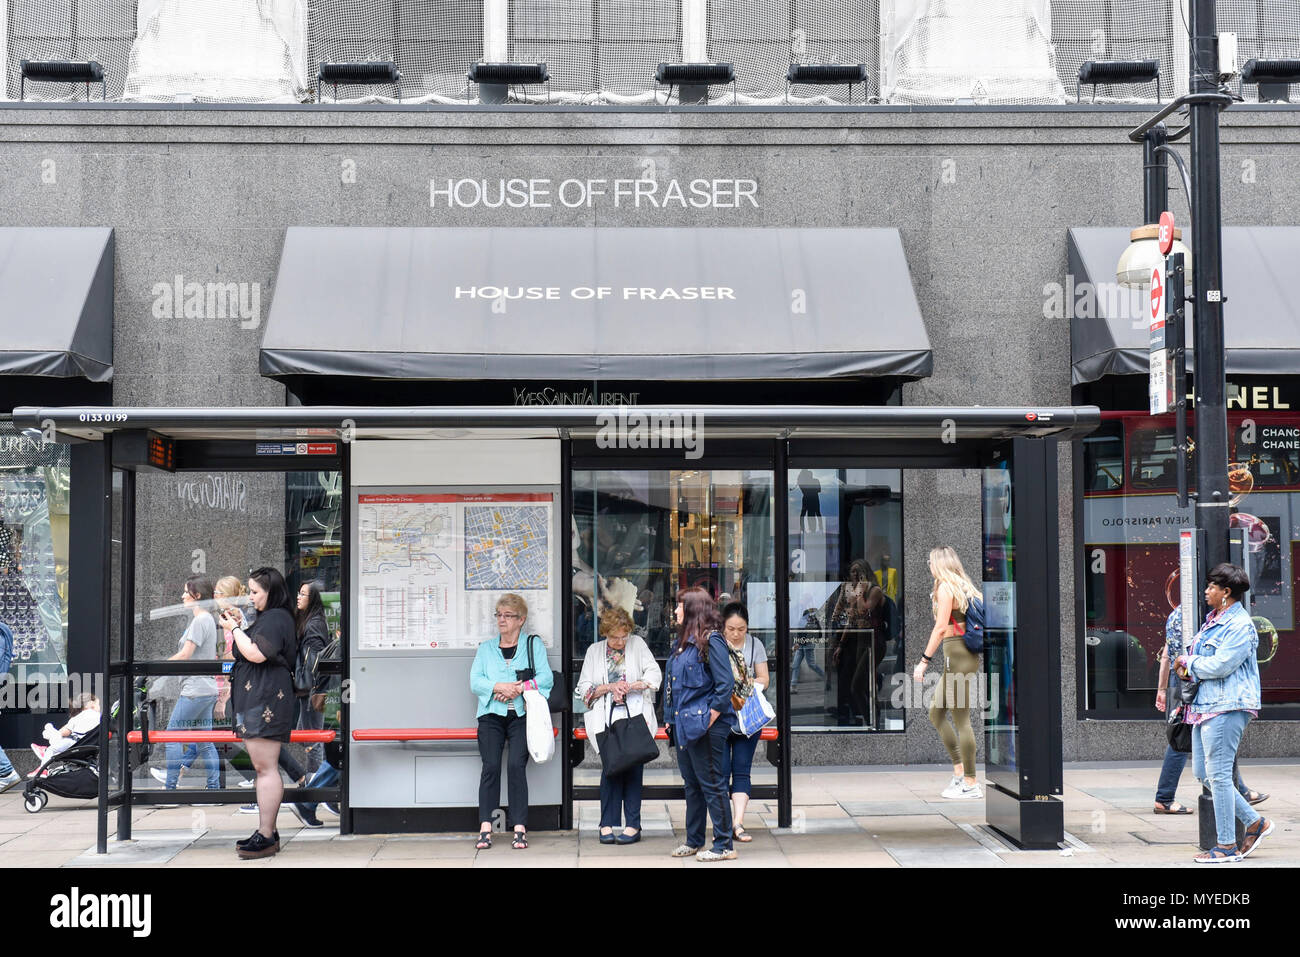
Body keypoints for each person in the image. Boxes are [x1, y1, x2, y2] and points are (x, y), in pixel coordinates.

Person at [1173, 563, 1273, 863]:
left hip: (1228, 706)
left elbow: (1221, 665)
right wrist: (1187, 662)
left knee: (1217, 774)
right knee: (1204, 772)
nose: (1206, 591)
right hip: (1206, 706)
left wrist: (1189, 665)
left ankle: (1227, 845)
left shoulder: (1240, 626)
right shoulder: (1214, 620)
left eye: (1211, 587)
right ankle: (1256, 823)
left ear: (1226, 592)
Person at [1154, 606, 1269, 814]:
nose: (1209, 591)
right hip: (1191, 678)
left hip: (1179, 676)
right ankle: (1165, 796)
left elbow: (1166, 654)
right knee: (1183, 739)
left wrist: (1162, 688)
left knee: (1197, 740)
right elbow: (1215, 662)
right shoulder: (1199, 615)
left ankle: (1240, 791)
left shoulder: (1175, 615)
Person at [220, 566, 298, 859]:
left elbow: (256, 653)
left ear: (271, 591)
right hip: (261, 700)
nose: (250, 597)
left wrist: (235, 629)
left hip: (267, 701)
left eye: (255, 592)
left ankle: (266, 834)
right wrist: (242, 625)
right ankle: (267, 831)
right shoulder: (274, 617)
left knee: (265, 768)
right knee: (263, 767)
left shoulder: (277, 618)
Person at [469, 593, 553, 850]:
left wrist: (520, 688)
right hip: (491, 716)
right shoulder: (486, 648)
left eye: (507, 615)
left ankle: (519, 827)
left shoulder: (532, 645)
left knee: (517, 766)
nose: (501, 620)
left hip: (521, 715)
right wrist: (499, 686)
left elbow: (546, 678)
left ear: (521, 620)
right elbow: (475, 682)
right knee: (491, 767)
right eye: (499, 615)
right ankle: (485, 827)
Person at [576, 605, 661, 845]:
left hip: (635, 719)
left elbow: (654, 674)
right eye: (615, 637)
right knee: (610, 771)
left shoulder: (638, 645)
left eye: (624, 636)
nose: (620, 641)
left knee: (634, 769)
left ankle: (633, 824)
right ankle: (606, 823)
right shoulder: (594, 651)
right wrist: (610, 687)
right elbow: (583, 688)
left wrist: (632, 685)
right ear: (605, 633)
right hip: (607, 722)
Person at [664, 586, 736, 862]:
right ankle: (694, 840)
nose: (675, 610)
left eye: (680, 606)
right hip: (684, 725)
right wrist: (670, 719)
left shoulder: (711, 641)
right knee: (692, 784)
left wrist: (709, 719)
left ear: (693, 609)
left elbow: (725, 685)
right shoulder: (683, 642)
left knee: (713, 783)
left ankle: (724, 844)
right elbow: (674, 686)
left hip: (705, 726)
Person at [913, 546, 983, 800]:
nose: (928, 564)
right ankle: (959, 772)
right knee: (936, 712)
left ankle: (971, 782)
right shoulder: (963, 585)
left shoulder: (945, 588)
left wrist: (923, 661)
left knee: (961, 718)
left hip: (957, 654)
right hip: (958, 655)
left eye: (930, 560)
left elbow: (941, 627)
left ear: (939, 563)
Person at [151, 575, 221, 796]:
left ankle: (170, 788)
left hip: (195, 690)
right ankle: (213, 789)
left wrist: (157, 670)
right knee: (205, 742)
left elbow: (186, 654)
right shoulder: (206, 619)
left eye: (185, 592)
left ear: (197, 595)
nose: (182, 596)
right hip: (206, 689)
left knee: (172, 736)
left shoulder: (201, 620)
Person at [720, 601, 768, 843]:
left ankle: (738, 823)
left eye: (741, 629)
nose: (736, 634)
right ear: (723, 627)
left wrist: (745, 687)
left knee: (741, 770)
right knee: (720, 771)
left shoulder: (755, 644)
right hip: (721, 716)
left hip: (747, 716)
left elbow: (764, 678)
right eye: (731, 629)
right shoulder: (716, 645)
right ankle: (724, 823)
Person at [832, 559, 883, 725]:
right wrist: (840, 644)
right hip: (860, 639)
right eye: (852, 572)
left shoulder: (874, 591)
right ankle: (872, 719)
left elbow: (863, 610)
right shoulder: (852, 591)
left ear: (865, 573)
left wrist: (860, 591)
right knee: (864, 683)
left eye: (858, 572)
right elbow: (851, 621)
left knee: (857, 685)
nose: (854, 575)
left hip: (873, 640)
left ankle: (872, 720)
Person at [30, 692, 100, 770]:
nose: (99, 707)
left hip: (75, 745)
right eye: (98, 704)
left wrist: (54, 734)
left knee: (52, 749)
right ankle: (47, 752)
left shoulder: (76, 718)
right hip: (90, 747)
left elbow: (63, 732)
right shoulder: (100, 717)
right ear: (91, 704)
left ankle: (43, 767)